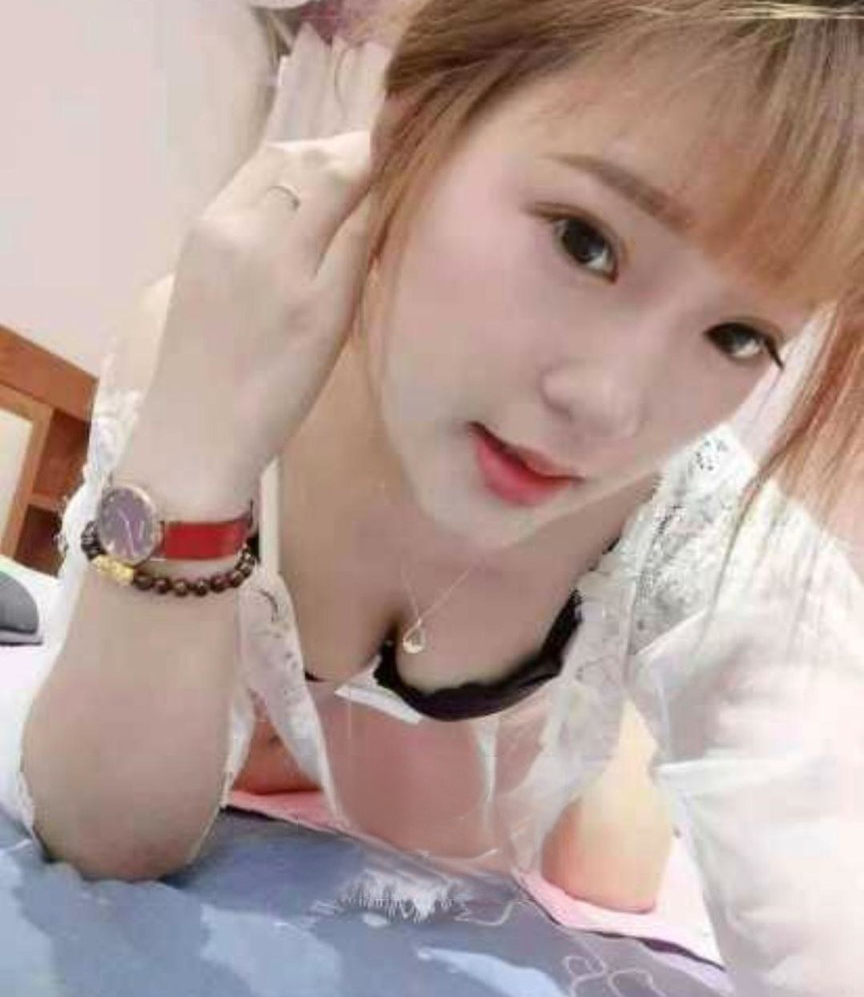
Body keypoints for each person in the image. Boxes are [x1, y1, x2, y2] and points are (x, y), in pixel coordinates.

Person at [2, 1, 862, 993]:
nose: (610, 405)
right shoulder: (226, 344)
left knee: (615, 867)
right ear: (413, 119)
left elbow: (828, 901)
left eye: (738, 336)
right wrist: (194, 450)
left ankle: (615, 708)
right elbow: (103, 831)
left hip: (530, 788)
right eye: (584, 242)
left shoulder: (704, 524)